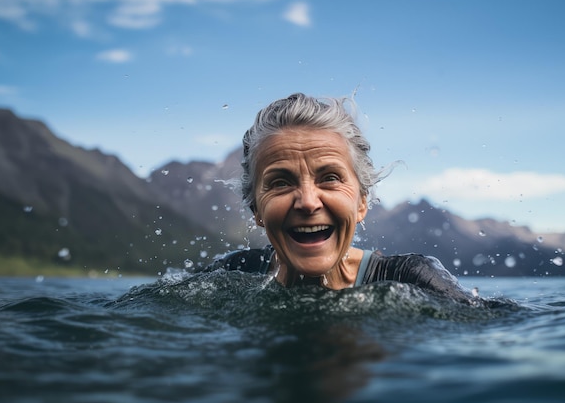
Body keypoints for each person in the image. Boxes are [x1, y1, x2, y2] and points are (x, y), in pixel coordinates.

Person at [203, 93, 475, 303]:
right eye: (281, 183)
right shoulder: (233, 272)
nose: (308, 202)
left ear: (361, 203)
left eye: (330, 178)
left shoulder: (411, 279)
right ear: (256, 210)